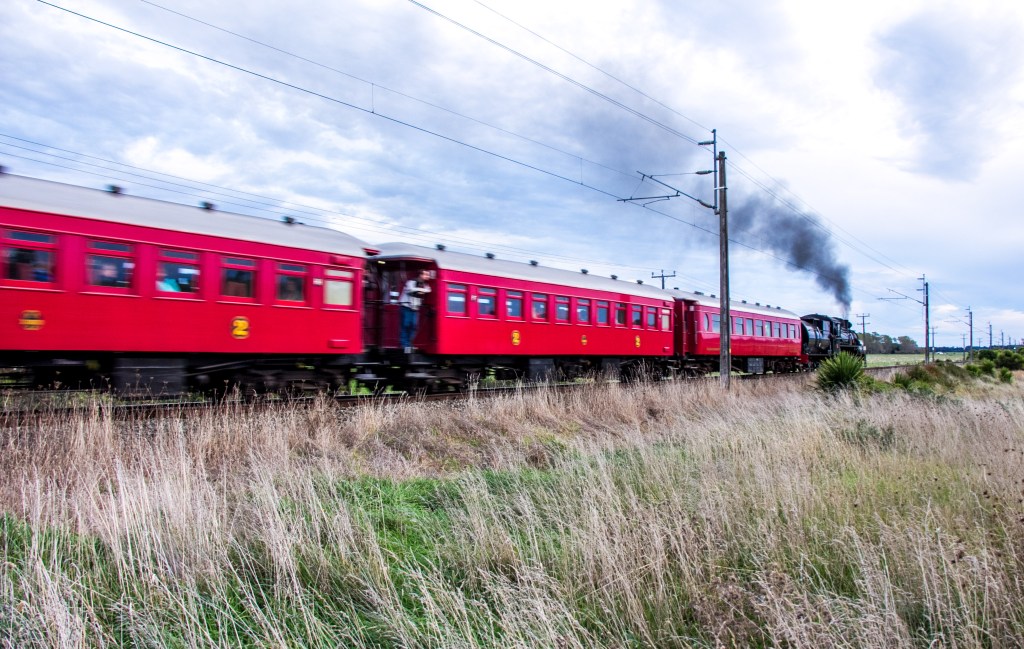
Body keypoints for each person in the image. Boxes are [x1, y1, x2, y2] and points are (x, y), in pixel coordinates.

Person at [399, 269, 431, 353]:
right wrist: (421, 290)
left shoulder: (424, 284)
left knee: (413, 326)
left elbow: (429, 290)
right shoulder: (411, 282)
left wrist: (420, 290)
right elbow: (411, 290)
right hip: (406, 306)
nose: (428, 277)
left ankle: (410, 344)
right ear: (421, 275)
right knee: (406, 325)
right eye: (426, 275)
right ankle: (404, 345)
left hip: (415, 308)